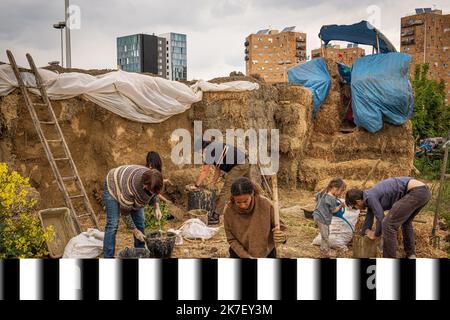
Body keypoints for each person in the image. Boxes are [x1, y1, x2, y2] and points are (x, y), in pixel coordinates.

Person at [345, 177, 431, 258]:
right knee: (406, 222)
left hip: (416, 192)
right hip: (423, 192)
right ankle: (411, 255)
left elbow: (381, 217)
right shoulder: (369, 196)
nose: (356, 209)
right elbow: (369, 217)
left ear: (358, 202)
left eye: (354, 207)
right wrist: (364, 232)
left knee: (388, 224)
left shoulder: (370, 197)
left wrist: (375, 234)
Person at [103, 165, 163, 258]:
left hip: (128, 180)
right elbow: (125, 214)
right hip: (113, 184)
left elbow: (155, 193)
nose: (152, 193)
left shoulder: (152, 177)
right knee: (113, 224)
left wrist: (157, 207)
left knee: (140, 222)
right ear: (145, 186)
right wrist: (135, 231)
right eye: (151, 191)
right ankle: (108, 257)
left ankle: (140, 253)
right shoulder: (130, 190)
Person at [223, 177, 287, 258]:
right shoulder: (229, 211)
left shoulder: (265, 204)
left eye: (245, 201)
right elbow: (231, 239)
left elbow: (282, 228)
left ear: (252, 193)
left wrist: (283, 236)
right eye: (238, 202)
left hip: (266, 252)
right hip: (240, 253)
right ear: (233, 198)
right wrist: (245, 256)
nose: (242, 205)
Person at [194, 139, 251, 225]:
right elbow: (218, 168)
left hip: (239, 165)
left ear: (202, 148)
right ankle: (252, 209)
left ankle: (215, 216)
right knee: (249, 188)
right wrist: (213, 182)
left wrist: (196, 185)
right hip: (245, 162)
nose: (201, 154)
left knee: (227, 189)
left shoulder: (209, 151)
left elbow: (204, 171)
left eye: (200, 152)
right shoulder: (215, 148)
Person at [313, 178, 347, 257]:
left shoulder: (324, 191)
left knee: (326, 234)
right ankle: (325, 252)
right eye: (341, 191)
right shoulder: (331, 198)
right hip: (322, 218)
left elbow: (315, 197)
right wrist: (340, 206)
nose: (341, 193)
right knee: (325, 236)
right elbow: (333, 211)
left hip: (317, 214)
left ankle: (323, 249)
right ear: (335, 188)